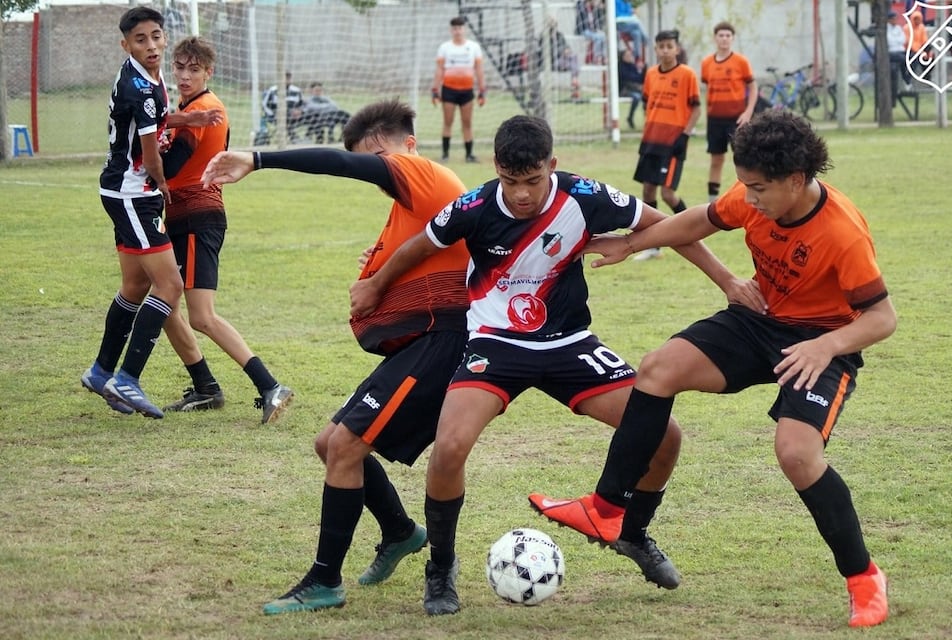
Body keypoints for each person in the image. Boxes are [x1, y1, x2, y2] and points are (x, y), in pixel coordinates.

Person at [350, 115, 760, 616]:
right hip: (496, 345)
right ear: (496, 169)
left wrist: (729, 281)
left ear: (553, 166)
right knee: (451, 445)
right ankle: (441, 567)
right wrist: (375, 284)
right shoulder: (476, 205)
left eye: (533, 181)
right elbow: (422, 243)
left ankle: (632, 534)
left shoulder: (585, 197)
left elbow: (667, 226)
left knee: (665, 434)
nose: (521, 195)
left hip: (568, 343)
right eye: (510, 181)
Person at [532, 109, 896, 629]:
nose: (747, 199)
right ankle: (608, 509)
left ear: (796, 181)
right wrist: (630, 243)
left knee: (796, 454)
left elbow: (883, 317)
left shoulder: (842, 233)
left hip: (823, 341)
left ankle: (863, 578)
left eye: (759, 189)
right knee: (657, 370)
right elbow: (700, 218)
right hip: (758, 322)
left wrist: (825, 347)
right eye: (744, 186)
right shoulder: (754, 197)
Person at [201, 99, 470, 613]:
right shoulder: (409, 207)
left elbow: (346, 165)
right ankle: (398, 531)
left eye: (380, 157)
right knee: (330, 444)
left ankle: (325, 582)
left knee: (345, 448)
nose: (378, 169)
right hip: (421, 342)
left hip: (442, 342)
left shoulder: (423, 173)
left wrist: (258, 159)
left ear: (407, 145)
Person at [80, 6, 220, 419]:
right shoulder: (139, 86)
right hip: (132, 195)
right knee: (171, 286)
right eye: (141, 40)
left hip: (124, 192)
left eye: (156, 36)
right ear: (126, 45)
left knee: (134, 286)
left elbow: (157, 119)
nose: (152, 45)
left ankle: (101, 370)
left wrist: (189, 116)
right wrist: (161, 184)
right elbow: (149, 149)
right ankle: (126, 380)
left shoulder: (147, 76)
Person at [158, 36, 293, 424]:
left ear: (208, 72)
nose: (184, 76)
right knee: (162, 305)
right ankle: (205, 387)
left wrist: (144, 140)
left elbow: (168, 169)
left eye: (193, 69)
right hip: (183, 217)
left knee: (201, 315)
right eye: (180, 68)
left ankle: (270, 386)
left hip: (199, 217)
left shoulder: (205, 109)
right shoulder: (189, 108)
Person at [631, 29, 700, 261]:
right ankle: (653, 247)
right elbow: (646, 103)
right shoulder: (651, 74)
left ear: (677, 49)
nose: (666, 50)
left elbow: (697, 108)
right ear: (656, 49)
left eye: (670, 46)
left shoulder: (687, 74)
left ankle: (693, 233)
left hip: (673, 143)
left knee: (668, 193)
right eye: (661, 46)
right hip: (651, 141)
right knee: (647, 190)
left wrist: (685, 135)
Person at [700, 21, 757, 204]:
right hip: (715, 120)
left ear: (732, 38)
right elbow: (707, 88)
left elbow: (753, 88)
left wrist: (748, 113)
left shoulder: (741, 61)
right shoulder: (707, 63)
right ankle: (712, 201)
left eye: (727, 35)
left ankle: (747, 196)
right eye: (721, 35)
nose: (724, 39)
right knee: (716, 159)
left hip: (737, 119)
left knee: (742, 159)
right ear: (715, 38)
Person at [431, 16, 486, 163]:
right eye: (455, 28)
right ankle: (445, 154)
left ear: (465, 29)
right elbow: (439, 70)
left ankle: (469, 154)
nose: (457, 31)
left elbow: (479, 70)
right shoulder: (445, 48)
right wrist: (435, 90)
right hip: (449, 90)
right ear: (451, 30)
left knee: (467, 122)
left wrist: (482, 90)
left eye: (460, 28)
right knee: (448, 121)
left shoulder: (474, 47)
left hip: (467, 90)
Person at [538, 17, 583, 100]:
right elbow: (547, 51)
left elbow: (566, 45)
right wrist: (562, 51)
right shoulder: (543, 37)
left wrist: (567, 50)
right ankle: (575, 81)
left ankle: (574, 81)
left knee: (574, 56)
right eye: (550, 25)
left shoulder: (559, 35)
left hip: (562, 60)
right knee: (573, 60)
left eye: (554, 25)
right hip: (551, 62)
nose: (553, 27)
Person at [261, 71, 305, 142]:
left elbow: (303, 104)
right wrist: (273, 115)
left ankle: (308, 138)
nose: (287, 80)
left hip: (295, 116)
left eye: (288, 78)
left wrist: (300, 111)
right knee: (285, 115)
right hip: (275, 116)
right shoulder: (272, 90)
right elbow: (265, 105)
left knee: (314, 115)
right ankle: (294, 137)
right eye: (285, 78)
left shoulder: (297, 90)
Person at [618, 47, 646, 129]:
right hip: (624, 89)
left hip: (633, 89)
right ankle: (630, 117)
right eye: (628, 55)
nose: (630, 57)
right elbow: (628, 78)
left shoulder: (633, 66)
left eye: (631, 55)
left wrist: (643, 69)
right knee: (636, 97)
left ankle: (647, 119)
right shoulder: (620, 66)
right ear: (622, 57)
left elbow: (639, 79)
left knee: (646, 97)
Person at [575, 0, 607, 65]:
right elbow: (579, 4)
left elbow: (600, 20)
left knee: (603, 36)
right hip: (584, 30)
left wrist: (597, 29)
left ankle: (603, 56)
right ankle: (596, 56)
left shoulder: (595, 10)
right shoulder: (582, 7)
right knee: (597, 37)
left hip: (594, 30)